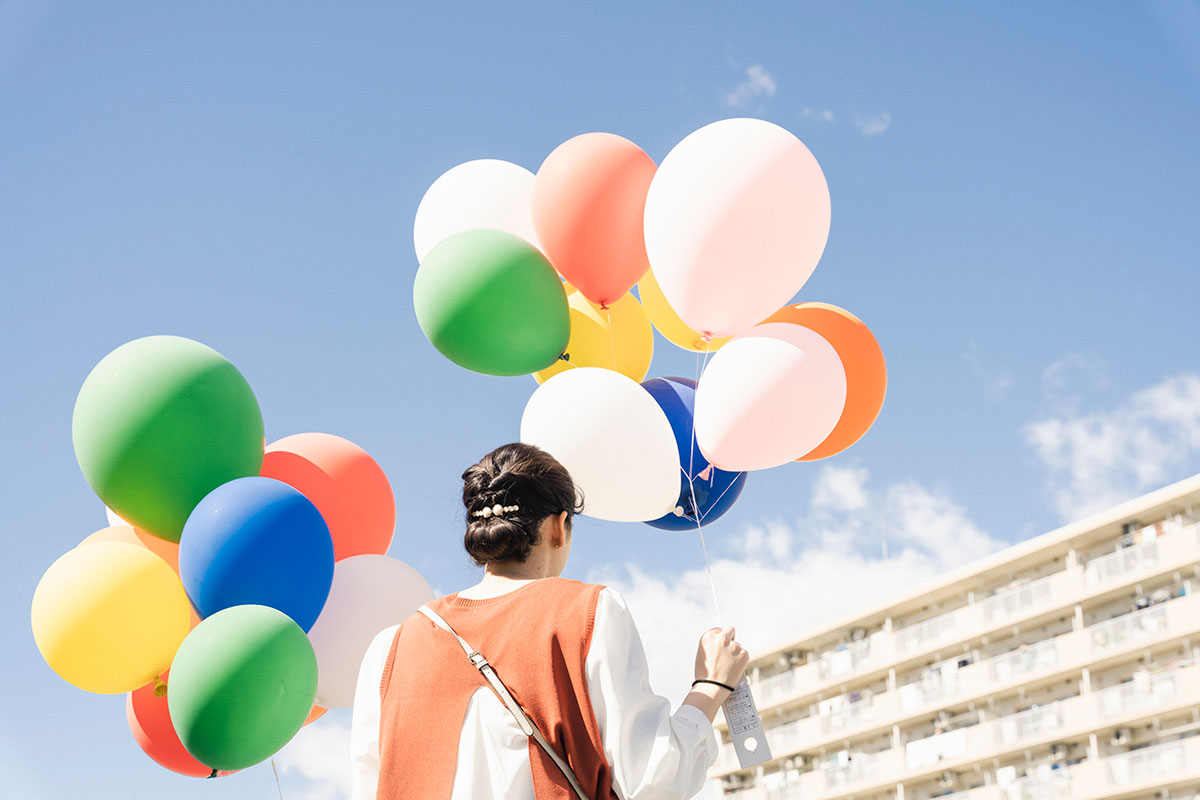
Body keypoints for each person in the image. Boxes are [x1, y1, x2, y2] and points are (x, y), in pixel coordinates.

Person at [350, 442, 749, 799]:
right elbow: (652, 780)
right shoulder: (588, 612)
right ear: (558, 527)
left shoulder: (390, 648)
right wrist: (710, 686)